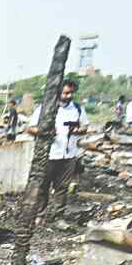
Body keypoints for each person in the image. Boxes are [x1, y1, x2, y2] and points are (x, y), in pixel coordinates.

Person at [26, 79, 88, 218]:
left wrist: (78, 130)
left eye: (71, 93)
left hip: (69, 155)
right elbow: (29, 129)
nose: (69, 96)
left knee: (62, 188)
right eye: (66, 93)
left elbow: (85, 127)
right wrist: (44, 131)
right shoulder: (44, 108)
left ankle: (57, 216)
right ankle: (39, 215)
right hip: (49, 155)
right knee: (43, 187)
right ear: (58, 92)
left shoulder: (77, 109)